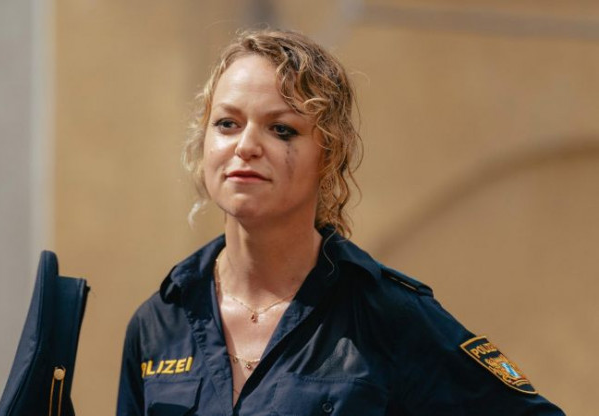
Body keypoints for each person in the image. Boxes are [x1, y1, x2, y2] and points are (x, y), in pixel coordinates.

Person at [117, 28, 564, 415]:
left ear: (328, 155)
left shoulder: (388, 316)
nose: (246, 146)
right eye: (227, 124)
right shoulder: (160, 322)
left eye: (282, 129)